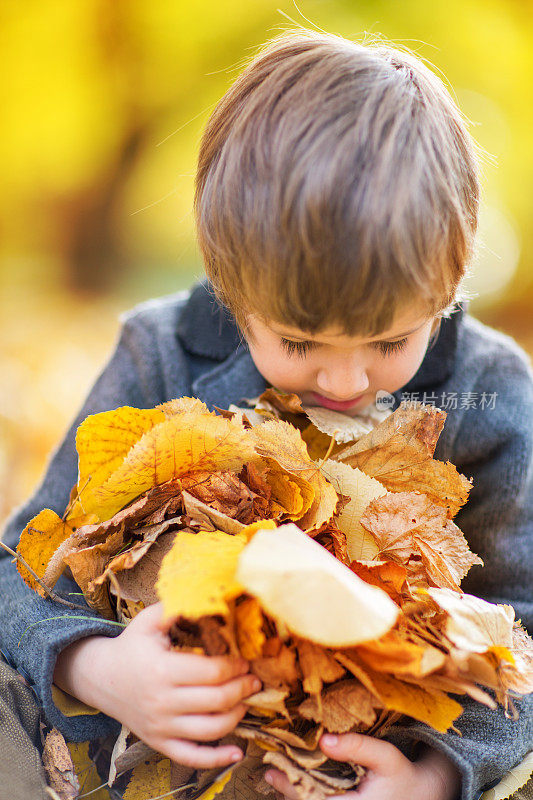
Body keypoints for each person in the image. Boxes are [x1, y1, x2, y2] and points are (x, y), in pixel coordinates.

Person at [1, 29, 532, 800]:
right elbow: (16, 569)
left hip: (360, 752)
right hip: (145, 740)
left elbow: (522, 628)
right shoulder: (162, 353)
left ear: (447, 286)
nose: (347, 379)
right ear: (230, 291)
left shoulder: (489, 392)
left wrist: (435, 776)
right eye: (297, 340)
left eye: (390, 340)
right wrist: (94, 664)